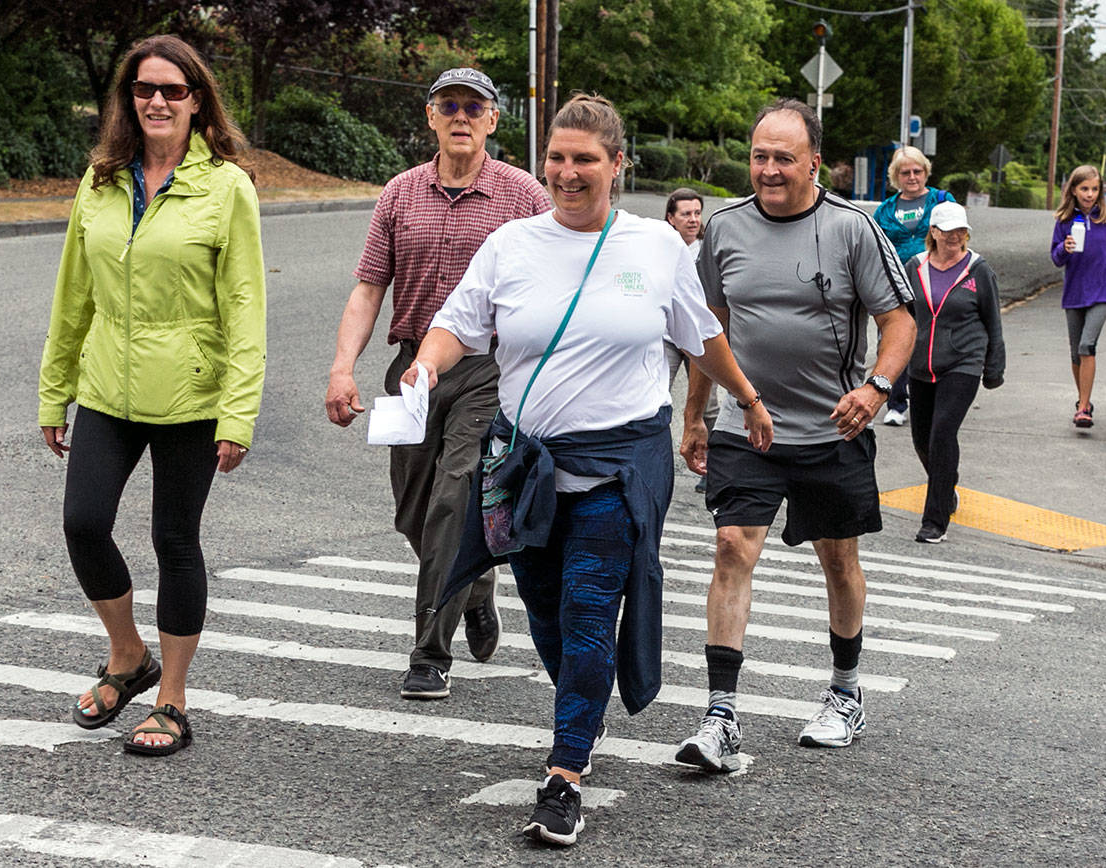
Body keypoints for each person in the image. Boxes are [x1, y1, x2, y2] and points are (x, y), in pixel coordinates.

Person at [405, 94, 772, 846]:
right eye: (558, 158)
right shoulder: (511, 245)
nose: (568, 173)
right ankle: (585, 702)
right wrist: (423, 367)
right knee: (544, 606)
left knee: (586, 605)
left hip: (619, 461)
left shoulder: (657, 248)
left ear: (618, 166)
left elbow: (699, 335)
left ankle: (565, 771)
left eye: (586, 160)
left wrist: (745, 399)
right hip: (525, 460)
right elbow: (456, 324)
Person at [38, 35, 266, 756]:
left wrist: (239, 412)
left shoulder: (227, 187)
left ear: (197, 100)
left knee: (175, 540)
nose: (157, 101)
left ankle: (171, 698)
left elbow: (246, 307)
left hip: (191, 396)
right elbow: (73, 293)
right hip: (108, 384)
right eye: (144, 89)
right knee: (83, 522)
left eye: (173, 90)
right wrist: (56, 393)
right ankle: (125, 653)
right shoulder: (101, 177)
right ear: (128, 99)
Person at [676, 98, 915, 770]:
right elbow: (708, 332)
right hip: (745, 425)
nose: (769, 169)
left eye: (784, 157)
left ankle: (844, 693)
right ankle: (721, 715)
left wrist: (876, 389)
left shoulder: (851, 230)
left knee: (838, 560)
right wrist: (696, 416)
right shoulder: (722, 230)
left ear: (815, 161)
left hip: (831, 430)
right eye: (759, 156)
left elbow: (899, 322)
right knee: (731, 546)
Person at [324, 68, 551, 700]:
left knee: (456, 495)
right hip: (413, 369)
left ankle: (430, 651)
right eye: (448, 105)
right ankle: (476, 585)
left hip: (489, 370)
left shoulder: (523, 195)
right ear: (430, 117)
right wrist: (343, 368)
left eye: (473, 108)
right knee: (414, 512)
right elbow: (370, 286)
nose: (461, 117)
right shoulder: (399, 193)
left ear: (492, 121)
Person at [903, 202, 1005, 543]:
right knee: (921, 441)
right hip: (920, 366)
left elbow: (993, 320)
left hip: (963, 363)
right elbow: (901, 320)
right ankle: (946, 485)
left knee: (942, 434)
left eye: (961, 231)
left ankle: (934, 521)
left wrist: (994, 368)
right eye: (948, 231)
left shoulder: (978, 270)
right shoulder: (914, 267)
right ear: (933, 232)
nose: (956, 237)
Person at [872, 146, 956, 427]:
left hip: (936, 283)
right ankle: (895, 403)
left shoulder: (942, 202)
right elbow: (875, 249)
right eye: (905, 172)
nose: (912, 176)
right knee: (894, 341)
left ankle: (936, 398)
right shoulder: (885, 210)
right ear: (896, 176)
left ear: (925, 172)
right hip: (896, 286)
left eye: (917, 171)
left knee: (931, 342)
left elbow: (958, 237)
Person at [1050, 164, 1106, 429]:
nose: (1089, 194)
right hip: (1074, 291)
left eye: (1094, 189)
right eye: (1084, 188)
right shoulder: (1063, 221)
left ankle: (1083, 408)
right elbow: (1055, 258)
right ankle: (1082, 399)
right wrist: (1065, 247)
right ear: (1073, 189)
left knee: (1087, 346)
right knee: (1076, 354)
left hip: (1101, 291)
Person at [663, 187, 718, 492]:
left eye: (697, 213)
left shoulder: (707, 249)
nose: (693, 219)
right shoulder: (661, 246)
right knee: (655, 393)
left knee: (708, 406)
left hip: (699, 338)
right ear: (671, 218)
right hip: (669, 336)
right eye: (686, 214)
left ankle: (714, 466)